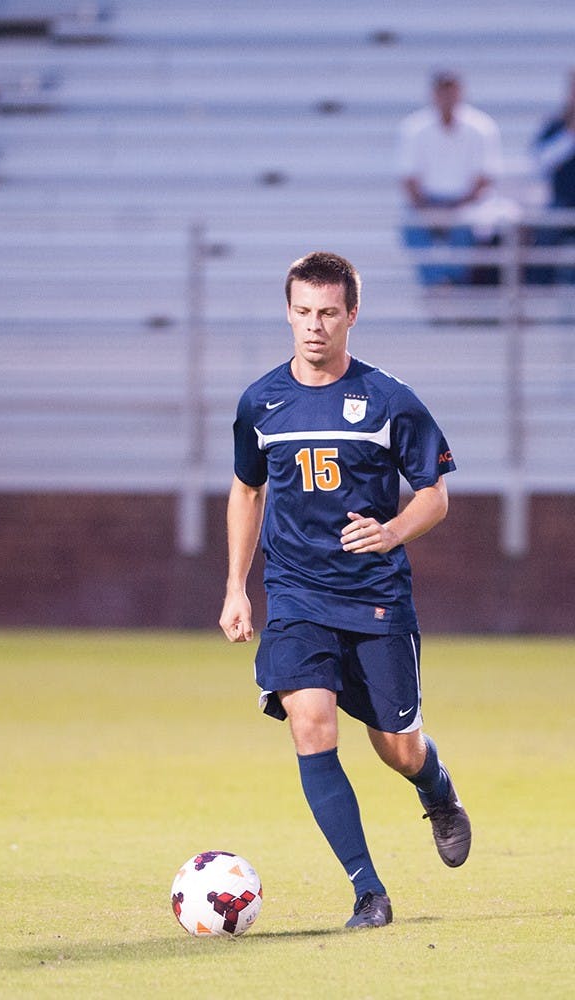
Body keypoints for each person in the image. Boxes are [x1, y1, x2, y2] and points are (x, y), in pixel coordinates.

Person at [218, 251, 471, 930]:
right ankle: (369, 893)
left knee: (397, 745)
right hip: (296, 594)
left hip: (376, 597)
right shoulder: (261, 402)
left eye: (328, 312)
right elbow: (247, 490)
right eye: (302, 312)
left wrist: (391, 533)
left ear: (352, 315)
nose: (314, 326)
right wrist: (236, 588)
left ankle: (436, 789)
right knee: (311, 724)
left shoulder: (389, 400)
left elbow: (435, 495)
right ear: (289, 313)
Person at [398, 71, 503, 286]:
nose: (447, 97)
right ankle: (438, 282)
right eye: (442, 91)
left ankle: (454, 282)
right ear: (434, 94)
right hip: (429, 202)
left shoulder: (481, 127)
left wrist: (456, 207)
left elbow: (485, 178)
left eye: (451, 91)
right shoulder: (414, 128)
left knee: (464, 226)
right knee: (411, 225)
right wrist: (427, 207)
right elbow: (408, 178)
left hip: (469, 203)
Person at [529, 69, 575, 284]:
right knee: (542, 241)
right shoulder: (556, 125)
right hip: (562, 202)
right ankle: (537, 299)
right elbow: (540, 163)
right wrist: (570, 134)